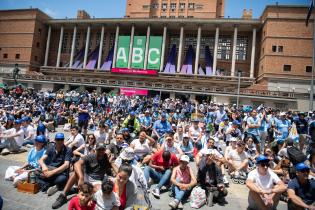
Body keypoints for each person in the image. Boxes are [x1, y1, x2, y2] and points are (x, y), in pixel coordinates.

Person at [52, 143, 114, 209]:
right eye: (99, 149)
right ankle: (63, 195)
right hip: (87, 176)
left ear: (105, 150)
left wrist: (111, 162)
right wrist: (81, 177)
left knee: (99, 190)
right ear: (96, 149)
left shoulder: (106, 157)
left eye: (103, 149)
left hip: (97, 180)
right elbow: (77, 164)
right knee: (75, 173)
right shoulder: (90, 156)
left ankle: (78, 190)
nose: (101, 151)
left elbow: (111, 168)